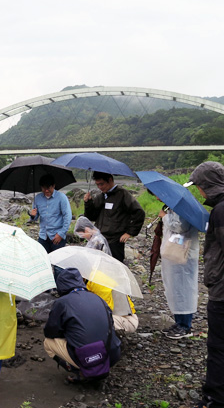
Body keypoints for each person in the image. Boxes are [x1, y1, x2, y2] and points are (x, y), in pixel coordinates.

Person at [186, 162, 224, 408]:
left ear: (206, 186)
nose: (199, 192)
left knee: (218, 347)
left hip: (222, 293)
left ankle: (215, 398)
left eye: (199, 187)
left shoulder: (220, 211)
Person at [43, 268, 121, 382]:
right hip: (112, 355)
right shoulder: (98, 298)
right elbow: (111, 324)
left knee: (48, 343)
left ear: (60, 285)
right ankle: (98, 368)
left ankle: (79, 370)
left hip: (88, 357)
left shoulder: (62, 302)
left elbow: (50, 332)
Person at [74, 216, 138, 333]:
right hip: (102, 273)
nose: (84, 238)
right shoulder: (96, 238)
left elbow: (91, 260)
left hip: (100, 273)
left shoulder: (96, 241)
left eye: (82, 235)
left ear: (87, 229)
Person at [153, 198, 199, 340]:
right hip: (174, 253)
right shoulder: (171, 206)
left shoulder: (183, 206)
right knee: (175, 288)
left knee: (184, 289)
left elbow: (181, 226)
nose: (157, 198)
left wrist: (165, 217)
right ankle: (179, 321)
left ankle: (186, 326)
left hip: (184, 254)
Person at [83, 171, 145, 263]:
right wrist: (88, 203)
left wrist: (130, 232)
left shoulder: (123, 194)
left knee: (115, 267)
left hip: (115, 240)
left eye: (102, 184)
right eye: (97, 185)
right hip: (100, 238)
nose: (100, 187)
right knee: (98, 266)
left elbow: (139, 213)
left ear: (110, 180)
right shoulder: (101, 196)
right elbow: (91, 216)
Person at [29, 174, 72, 254]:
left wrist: (61, 234)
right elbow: (35, 218)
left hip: (57, 236)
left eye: (48, 188)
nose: (46, 191)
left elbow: (67, 216)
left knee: (57, 262)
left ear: (53, 186)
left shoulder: (61, 197)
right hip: (43, 236)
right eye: (44, 188)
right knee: (43, 261)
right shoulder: (38, 198)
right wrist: (32, 215)